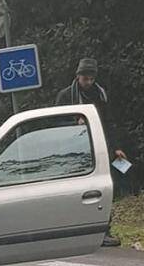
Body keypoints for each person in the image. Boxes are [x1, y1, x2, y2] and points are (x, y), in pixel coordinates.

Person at [55, 57, 128, 247]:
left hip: (100, 147)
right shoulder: (65, 96)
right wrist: (74, 122)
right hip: (74, 150)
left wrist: (117, 147)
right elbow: (56, 124)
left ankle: (104, 230)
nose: (87, 82)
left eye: (90, 79)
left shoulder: (101, 95)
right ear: (77, 76)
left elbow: (109, 122)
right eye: (84, 78)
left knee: (102, 189)